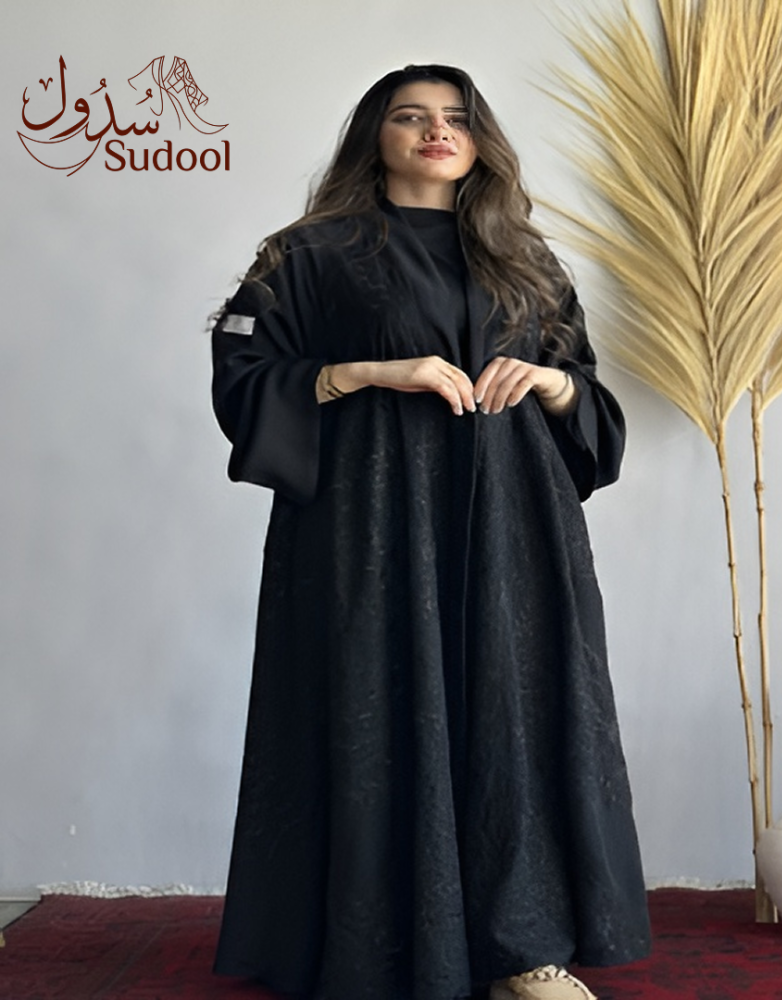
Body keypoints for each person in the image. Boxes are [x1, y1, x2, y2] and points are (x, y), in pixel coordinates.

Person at [210, 63, 650, 1000]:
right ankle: (371, 951)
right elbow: (244, 376)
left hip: (513, 521)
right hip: (366, 522)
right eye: (410, 116)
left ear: (480, 140)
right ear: (375, 136)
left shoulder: (523, 257)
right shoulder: (309, 253)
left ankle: (523, 949)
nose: (435, 131)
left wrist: (549, 382)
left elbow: (585, 391)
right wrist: (371, 372)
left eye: (454, 117)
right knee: (374, 701)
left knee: (513, 711)